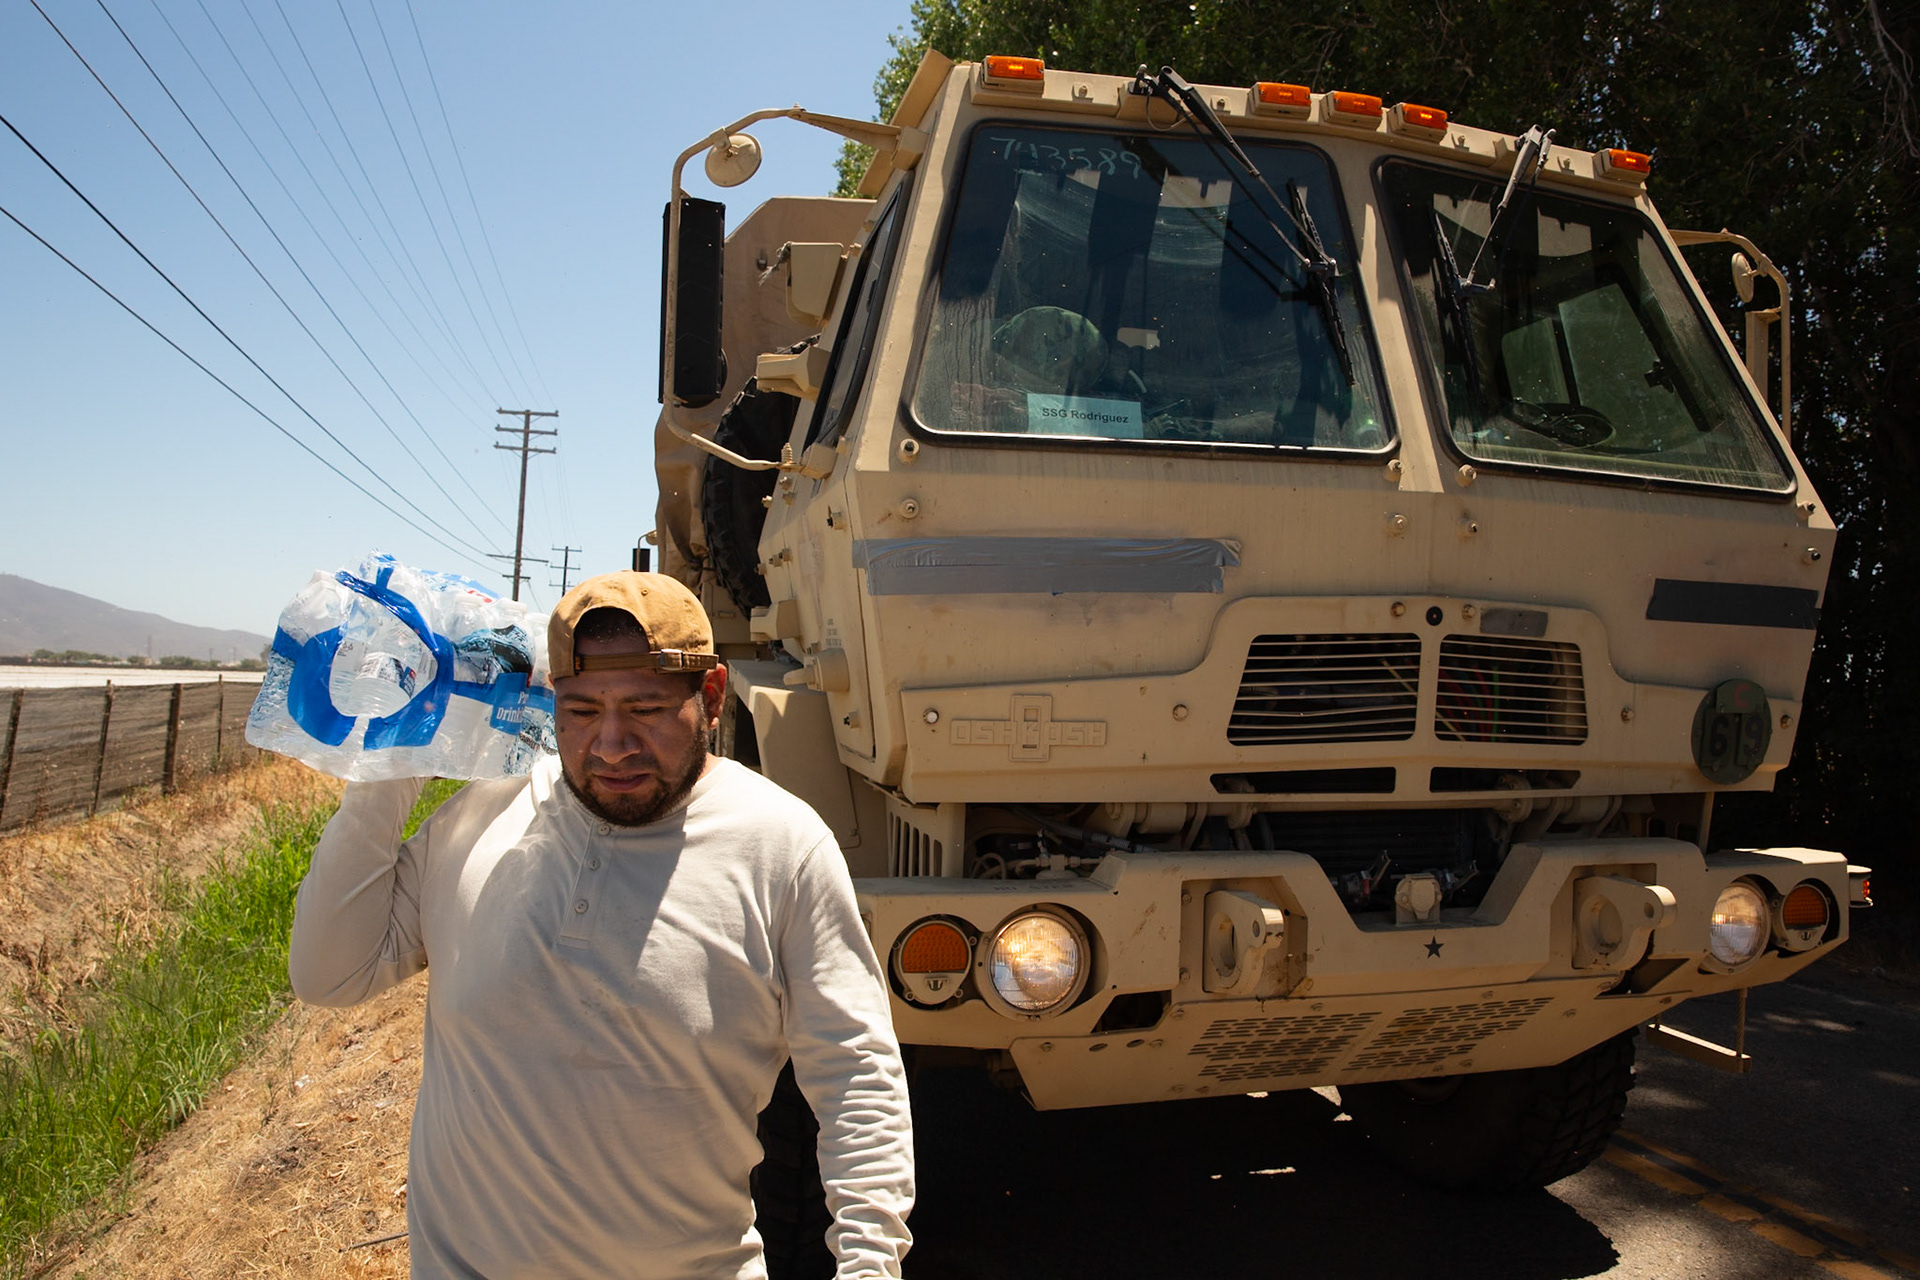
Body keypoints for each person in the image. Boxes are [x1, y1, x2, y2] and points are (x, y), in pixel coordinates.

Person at [289, 571, 915, 1278]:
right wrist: (393, 761)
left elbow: (856, 1070)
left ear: (710, 698)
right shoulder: (483, 817)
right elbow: (328, 975)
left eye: (645, 708)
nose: (613, 745)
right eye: (583, 712)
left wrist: (869, 1265)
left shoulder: (780, 845)